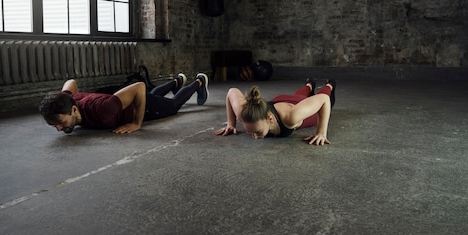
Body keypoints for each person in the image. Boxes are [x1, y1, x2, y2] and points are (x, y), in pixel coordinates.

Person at [39, 73, 209, 134]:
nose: (59, 129)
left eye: (60, 123)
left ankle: (199, 82)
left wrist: (136, 123)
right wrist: (61, 97)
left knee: (172, 106)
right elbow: (71, 82)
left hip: (141, 106)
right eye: (55, 126)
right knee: (153, 95)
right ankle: (177, 82)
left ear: (74, 109)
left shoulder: (104, 109)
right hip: (125, 99)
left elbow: (139, 87)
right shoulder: (67, 100)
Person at [214, 79, 336, 145]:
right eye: (249, 132)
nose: (255, 137)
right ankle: (309, 84)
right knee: (297, 96)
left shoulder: (291, 117)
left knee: (318, 98)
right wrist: (231, 124)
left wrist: (321, 133)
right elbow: (232, 91)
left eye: (258, 132)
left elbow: (324, 100)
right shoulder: (245, 113)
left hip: (292, 109)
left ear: (270, 118)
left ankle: (329, 85)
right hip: (280, 101)